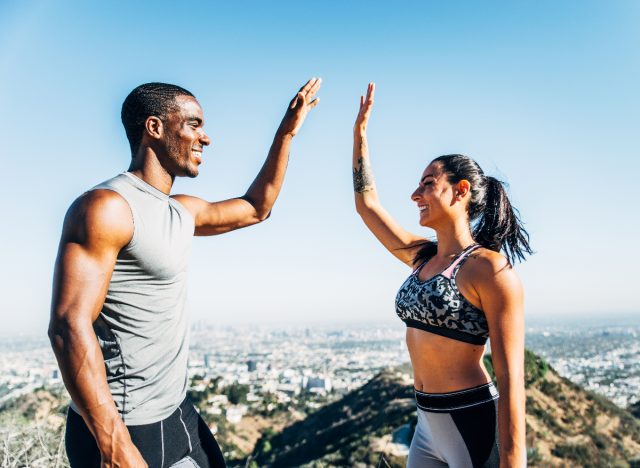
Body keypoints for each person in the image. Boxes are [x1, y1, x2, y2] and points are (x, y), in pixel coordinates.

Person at [48, 78, 321, 468]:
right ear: (155, 128)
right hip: (125, 426)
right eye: (193, 124)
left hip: (176, 411)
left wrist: (287, 131)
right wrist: (113, 445)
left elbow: (256, 207)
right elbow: (67, 325)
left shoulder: (180, 211)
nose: (205, 138)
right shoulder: (107, 207)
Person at [352, 83, 531, 468]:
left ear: (460, 191)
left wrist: (513, 461)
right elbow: (367, 205)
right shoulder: (422, 256)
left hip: (472, 422)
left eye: (428, 184)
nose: (415, 194)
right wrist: (360, 136)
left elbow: (511, 381)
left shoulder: (490, 270)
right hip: (426, 422)